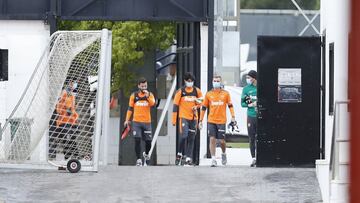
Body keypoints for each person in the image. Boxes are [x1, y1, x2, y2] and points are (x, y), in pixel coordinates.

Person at [200, 75, 236, 167]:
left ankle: (224, 154)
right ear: (212, 82)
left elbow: (230, 106)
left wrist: (233, 117)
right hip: (211, 120)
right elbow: (204, 107)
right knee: (212, 139)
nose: (216, 82)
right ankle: (213, 159)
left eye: (217, 81)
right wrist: (201, 120)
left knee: (222, 141)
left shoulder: (226, 93)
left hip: (221, 121)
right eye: (214, 81)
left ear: (220, 82)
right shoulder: (208, 94)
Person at [172, 72, 203, 166]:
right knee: (184, 136)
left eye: (192, 81)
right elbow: (175, 106)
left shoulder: (197, 91)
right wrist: (174, 120)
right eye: (188, 81)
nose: (190, 82)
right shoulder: (181, 91)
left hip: (194, 118)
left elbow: (202, 102)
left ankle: (188, 158)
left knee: (191, 138)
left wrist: (196, 107)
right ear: (185, 81)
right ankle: (179, 153)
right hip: (183, 117)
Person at [124, 77, 155, 166]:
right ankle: (138, 159)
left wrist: (147, 96)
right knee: (137, 140)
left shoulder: (150, 95)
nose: (144, 88)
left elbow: (153, 104)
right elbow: (130, 108)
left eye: (145, 86)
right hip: (136, 122)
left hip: (147, 122)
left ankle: (146, 153)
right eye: (142, 86)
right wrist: (127, 120)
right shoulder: (134, 96)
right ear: (138, 86)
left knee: (148, 141)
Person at [49, 80, 79, 160]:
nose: (74, 85)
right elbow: (60, 108)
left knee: (69, 139)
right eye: (72, 82)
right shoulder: (65, 93)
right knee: (67, 138)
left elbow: (71, 109)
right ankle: (72, 156)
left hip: (70, 121)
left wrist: (75, 116)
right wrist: (68, 108)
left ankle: (71, 156)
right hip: (64, 121)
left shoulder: (71, 94)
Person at [241, 70, 258, 167]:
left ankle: (260, 157)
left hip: (260, 116)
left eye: (249, 77)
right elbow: (242, 104)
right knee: (252, 138)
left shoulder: (261, 87)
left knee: (259, 138)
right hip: (251, 116)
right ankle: (253, 158)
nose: (248, 79)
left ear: (254, 78)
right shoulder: (246, 89)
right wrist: (251, 104)